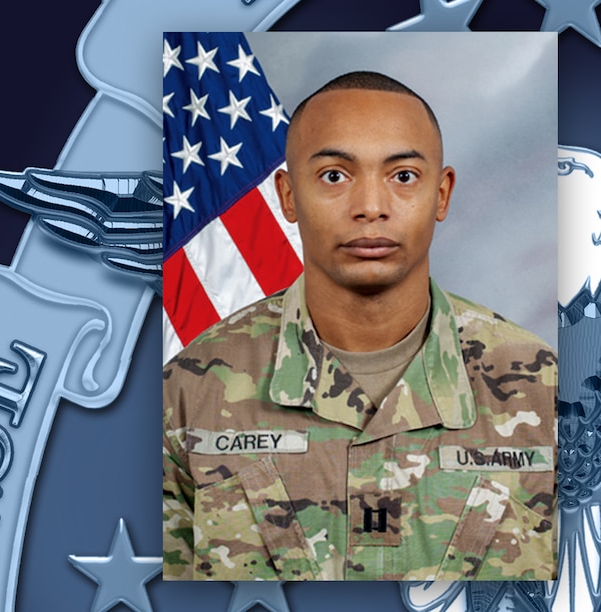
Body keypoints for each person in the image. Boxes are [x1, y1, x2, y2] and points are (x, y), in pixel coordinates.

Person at [163, 71, 557, 581]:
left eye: (403, 177)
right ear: (286, 194)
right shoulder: (188, 393)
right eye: (334, 176)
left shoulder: (545, 391)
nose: (371, 207)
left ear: (442, 194)